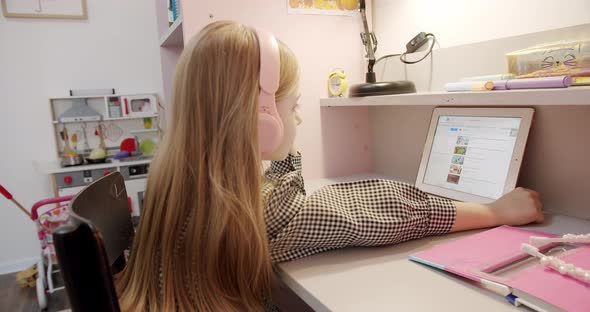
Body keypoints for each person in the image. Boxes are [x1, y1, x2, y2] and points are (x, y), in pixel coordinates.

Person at [116, 20, 544, 311]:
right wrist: (494, 212)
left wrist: (282, 154)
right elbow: (384, 214)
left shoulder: (178, 182)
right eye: (293, 106)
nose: (298, 118)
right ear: (260, 120)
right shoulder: (260, 216)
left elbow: (308, 195)